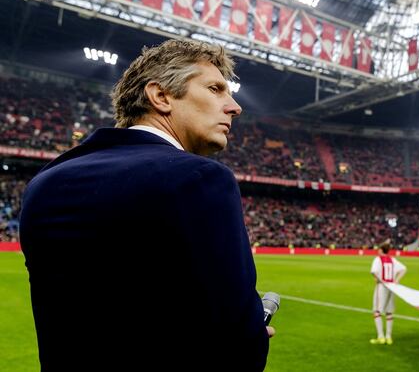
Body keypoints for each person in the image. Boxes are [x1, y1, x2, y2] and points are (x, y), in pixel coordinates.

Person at [19, 40, 271, 371]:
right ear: (161, 96)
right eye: (216, 89)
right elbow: (238, 344)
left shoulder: (44, 183)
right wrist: (253, 333)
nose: (234, 106)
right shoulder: (199, 178)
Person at [370, 240, 407, 346]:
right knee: (389, 312)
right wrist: (396, 280)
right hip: (392, 286)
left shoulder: (378, 259)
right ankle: (389, 337)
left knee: (377, 311)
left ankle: (380, 337)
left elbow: (373, 272)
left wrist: (379, 280)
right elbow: (404, 269)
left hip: (382, 287)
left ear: (381, 250)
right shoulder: (392, 259)